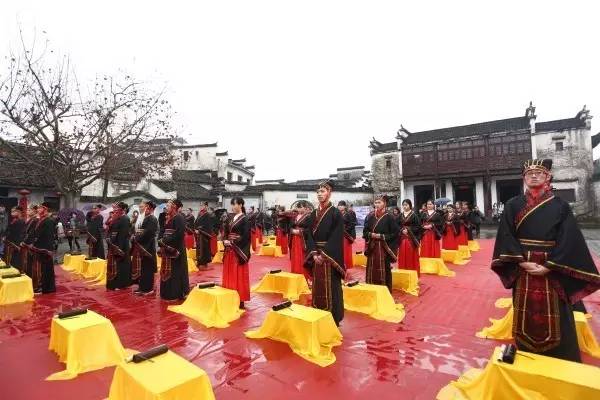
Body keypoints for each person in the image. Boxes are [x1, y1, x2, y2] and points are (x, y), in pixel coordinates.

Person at [492, 159, 600, 362]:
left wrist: (549, 266)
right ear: (524, 178)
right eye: (529, 173)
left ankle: (561, 355)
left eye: (539, 172)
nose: (534, 175)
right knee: (524, 310)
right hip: (523, 267)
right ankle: (525, 351)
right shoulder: (513, 205)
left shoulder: (560, 206)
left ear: (547, 176)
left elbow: (570, 239)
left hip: (552, 267)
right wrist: (521, 262)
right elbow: (506, 235)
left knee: (557, 311)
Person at [304, 180, 345, 325]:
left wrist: (324, 254)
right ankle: (318, 313)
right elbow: (308, 234)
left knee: (332, 286)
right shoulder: (313, 214)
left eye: (323, 191)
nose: (320, 194)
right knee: (317, 285)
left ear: (329, 193)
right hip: (316, 255)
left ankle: (334, 318)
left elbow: (337, 236)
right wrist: (314, 254)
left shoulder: (336, 213)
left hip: (329, 256)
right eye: (318, 192)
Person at [363, 195, 398, 292]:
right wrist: (371, 235)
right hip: (372, 247)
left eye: (379, 202)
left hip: (384, 248)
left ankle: (385, 292)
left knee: (385, 270)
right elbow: (365, 232)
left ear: (385, 204)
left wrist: (382, 236)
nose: (377, 205)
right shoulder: (370, 216)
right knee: (371, 268)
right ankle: (372, 290)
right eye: (376, 202)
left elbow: (395, 233)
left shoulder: (389, 217)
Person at [222, 197, 251, 309]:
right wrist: (225, 240)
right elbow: (227, 231)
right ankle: (229, 296)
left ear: (240, 205)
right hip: (229, 249)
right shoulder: (231, 218)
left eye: (235, 204)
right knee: (229, 273)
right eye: (232, 204)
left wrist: (233, 242)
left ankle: (239, 299)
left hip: (238, 250)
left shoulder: (245, 219)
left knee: (237, 273)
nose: (233, 207)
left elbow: (246, 236)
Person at [158, 198, 189, 300]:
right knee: (167, 271)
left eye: (168, 206)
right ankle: (166, 292)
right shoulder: (168, 218)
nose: (166, 208)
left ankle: (175, 293)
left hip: (176, 248)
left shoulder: (179, 217)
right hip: (167, 248)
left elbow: (179, 234)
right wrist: (161, 240)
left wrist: (166, 241)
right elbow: (163, 231)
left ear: (173, 207)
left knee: (175, 272)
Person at [132, 200, 158, 295]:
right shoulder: (146, 218)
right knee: (143, 268)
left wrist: (137, 238)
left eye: (146, 207)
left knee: (148, 269)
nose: (144, 209)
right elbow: (141, 231)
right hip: (143, 245)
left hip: (148, 247)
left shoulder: (152, 219)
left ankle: (148, 289)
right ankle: (142, 287)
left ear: (150, 209)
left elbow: (147, 233)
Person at [30, 202, 56, 294]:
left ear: (45, 209)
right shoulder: (41, 219)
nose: (38, 210)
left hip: (45, 249)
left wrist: (48, 250)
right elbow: (37, 233)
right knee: (41, 268)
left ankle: (45, 287)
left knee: (45, 269)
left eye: (40, 208)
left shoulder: (48, 221)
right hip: (39, 247)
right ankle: (43, 286)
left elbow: (48, 236)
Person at [106, 202, 132, 290]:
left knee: (121, 265)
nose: (115, 209)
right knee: (113, 265)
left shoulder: (125, 218)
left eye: (117, 208)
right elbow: (110, 229)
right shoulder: (116, 217)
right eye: (115, 208)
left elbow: (123, 234)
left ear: (123, 209)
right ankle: (113, 283)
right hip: (113, 243)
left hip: (121, 245)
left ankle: (121, 284)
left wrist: (118, 248)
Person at [288, 201, 313, 277]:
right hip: (294, 239)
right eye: (298, 207)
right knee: (294, 255)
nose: (299, 209)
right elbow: (290, 225)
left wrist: (300, 232)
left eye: (301, 207)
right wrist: (292, 230)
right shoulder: (295, 216)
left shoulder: (309, 216)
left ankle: (303, 273)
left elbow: (310, 229)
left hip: (302, 240)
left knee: (302, 255)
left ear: (305, 208)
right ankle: (295, 271)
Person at [397, 199, 421, 275]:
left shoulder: (414, 216)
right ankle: (403, 273)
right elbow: (396, 226)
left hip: (411, 239)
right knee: (402, 255)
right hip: (402, 238)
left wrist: (408, 229)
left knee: (411, 256)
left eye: (406, 205)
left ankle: (412, 274)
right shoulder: (399, 216)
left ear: (410, 205)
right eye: (403, 205)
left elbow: (418, 227)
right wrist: (401, 230)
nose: (405, 206)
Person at [194, 201, 214, 269]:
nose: (201, 206)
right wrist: (195, 229)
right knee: (198, 249)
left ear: (206, 206)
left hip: (204, 235)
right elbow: (196, 223)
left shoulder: (207, 214)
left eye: (202, 205)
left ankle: (204, 263)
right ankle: (199, 262)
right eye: (200, 205)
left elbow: (207, 226)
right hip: (198, 235)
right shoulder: (199, 214)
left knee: (204, 249)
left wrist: (200, 230)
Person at [338, 201, 357, 269]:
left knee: (346, 251)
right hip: (338, 235)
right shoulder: (337, 214)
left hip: (346, 236)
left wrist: (345, 229)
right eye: (339, 205)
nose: (340, 206)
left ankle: (346, 265)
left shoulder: (348, 214)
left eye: (341, 205)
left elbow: (353, 224)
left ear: (345, 206)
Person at [20, 205, 38, 276]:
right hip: (27, 242)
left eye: (29, 210)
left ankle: (31, 277)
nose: (27, 211)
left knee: (30, 262)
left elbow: (31, 233)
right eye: (27, 210)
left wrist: (24, 242)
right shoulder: (31, 219)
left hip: (30, 243)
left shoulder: (35, 220)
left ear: (34, 211)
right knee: (27, 261)